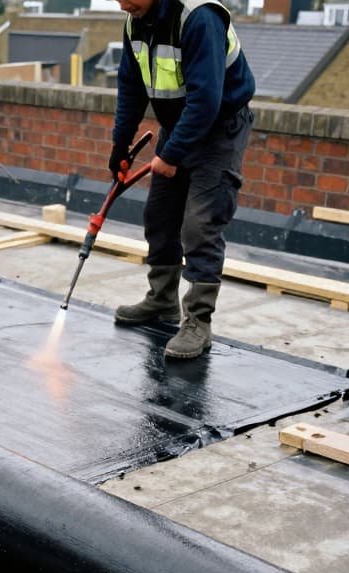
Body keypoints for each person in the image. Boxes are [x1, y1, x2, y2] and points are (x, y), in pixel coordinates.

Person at [110, 0, 255, 359]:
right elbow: (131, 87)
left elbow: (206, 100)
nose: (123, 5)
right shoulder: (135, 21)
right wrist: (120, 144)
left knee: (200, 225)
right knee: (159, 216)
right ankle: (162, 300)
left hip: (220, 128)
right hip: (179, 125)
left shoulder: (198, 18)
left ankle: (198, 323)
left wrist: (172, 155)